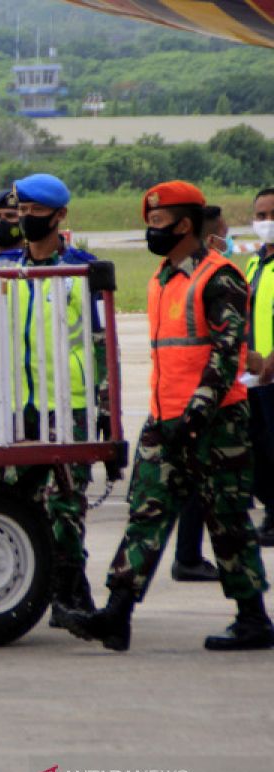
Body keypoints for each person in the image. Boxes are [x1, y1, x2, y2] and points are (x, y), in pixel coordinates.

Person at [68, 181, 274, 652]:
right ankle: (116, 615)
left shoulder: (220, 277)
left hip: (215, 425)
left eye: (158, 223)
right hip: (166, 422)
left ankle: (253, 619)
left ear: (184, 225)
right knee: (145, 514)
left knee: (227, 521)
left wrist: (197, 411)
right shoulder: (161, 278)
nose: (150, 230)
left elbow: (227, 355)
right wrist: (169, 417)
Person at [7, 173, 109, 631]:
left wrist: (104, 408)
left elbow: (102, 340)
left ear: (60, 216)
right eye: (22, 211)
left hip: (70, 404)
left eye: (36, 213)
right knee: (22, 503)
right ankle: (38, 589)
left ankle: (71, 591)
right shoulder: (7, 269)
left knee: (67, 505)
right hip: (21, 406)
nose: (27, 220)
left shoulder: (84, 270)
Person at [170, 205, 229, 580]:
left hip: (186, 402)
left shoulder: (172, 281)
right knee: (217, 491)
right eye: (223, 235)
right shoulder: (212, 280)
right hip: (208, 403)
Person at [243, 188, 274, 547]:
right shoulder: (254, 263)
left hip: (272, 371)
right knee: (255, 449)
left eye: (271, 215)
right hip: (254, 376)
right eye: (260, 216)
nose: (266, 223)